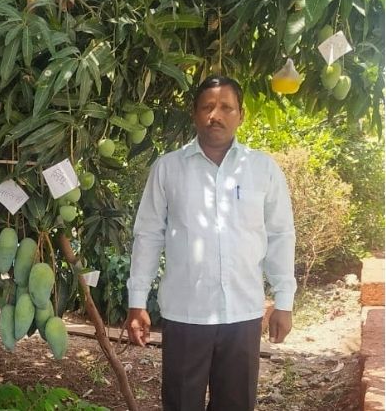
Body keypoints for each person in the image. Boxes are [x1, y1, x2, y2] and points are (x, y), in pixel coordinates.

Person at [125, 75, 297, 411]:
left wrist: (284, 301)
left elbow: (280, 234)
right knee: (180, 403)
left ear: (241, 115)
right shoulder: (168, 169)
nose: (215, 115)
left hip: (242, 313)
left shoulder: (262, 169)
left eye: (225, 107)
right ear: (194, 114)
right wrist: (137, 301)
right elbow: (147, 235)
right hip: (186, 313)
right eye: (207, 107)